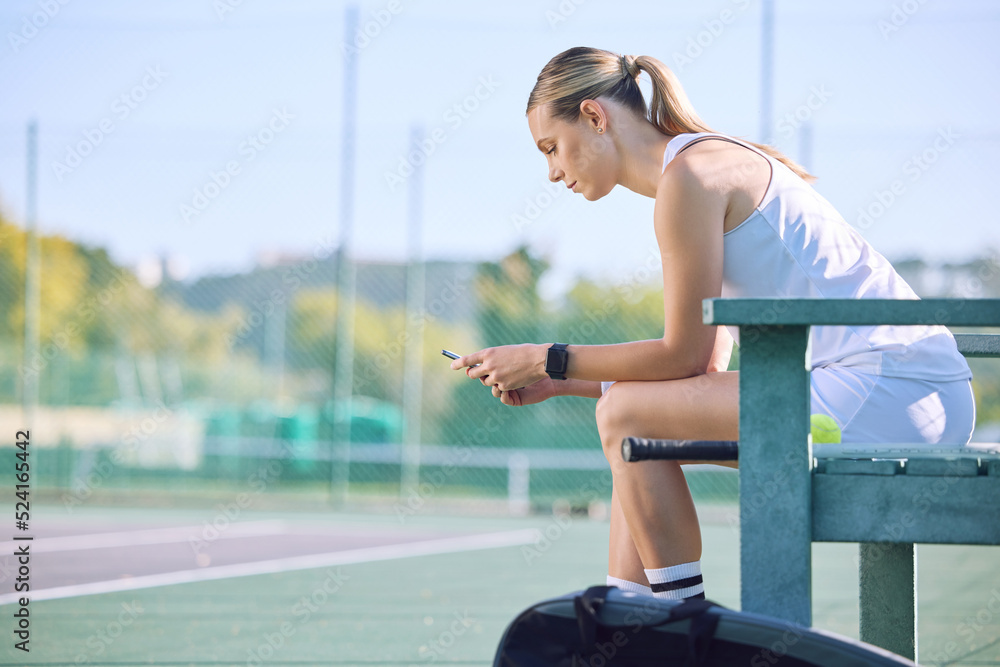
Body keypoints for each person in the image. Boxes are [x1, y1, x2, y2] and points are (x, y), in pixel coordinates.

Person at [449, 47, 975, 602]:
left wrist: (545, 357)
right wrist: (560, 381)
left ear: (595, 117)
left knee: (627, 415)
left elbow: (686, 358)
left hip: (895, 393)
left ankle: (683, 627)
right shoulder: (697, 170)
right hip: (908, 393)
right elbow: (703, 369)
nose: (552, 172)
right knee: (631, 416)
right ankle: (628, 622)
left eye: (551, 148)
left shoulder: (691, 178)